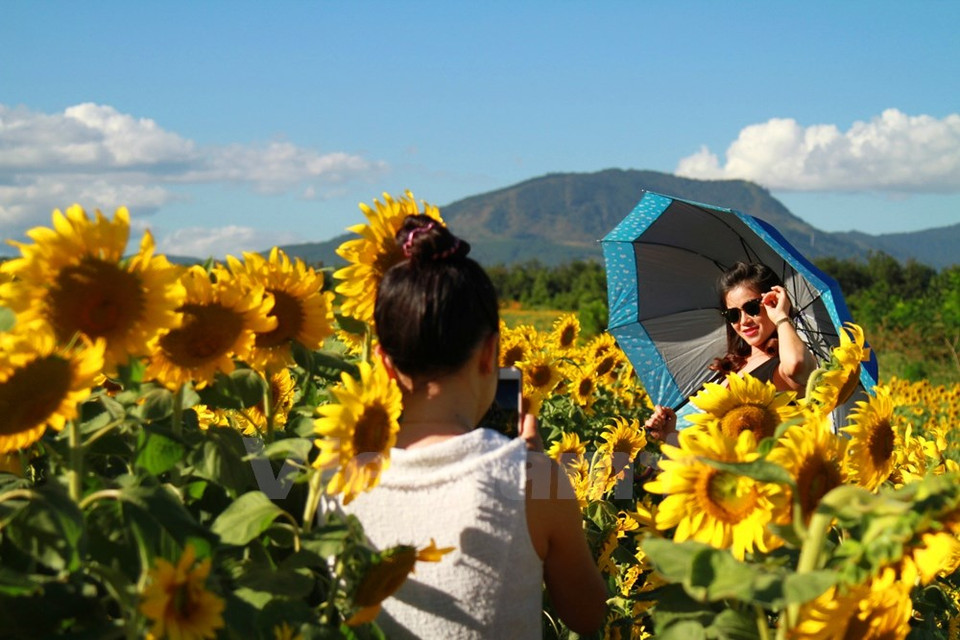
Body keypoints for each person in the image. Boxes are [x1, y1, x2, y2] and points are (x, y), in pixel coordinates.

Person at [338, 214, 607, 638]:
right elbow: (588, 616)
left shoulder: (333, 481)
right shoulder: (535, 482)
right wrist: (534, 462)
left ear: (385, 363)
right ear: (490, 354)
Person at [645, 261, 816, 443]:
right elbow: (715, 450)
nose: (743, 321)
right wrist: (669, 435)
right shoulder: (735, 365)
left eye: (752, 308)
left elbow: (796, 366)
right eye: (732, 314)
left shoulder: (783, 362)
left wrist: (782, 317)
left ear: (773, 302)